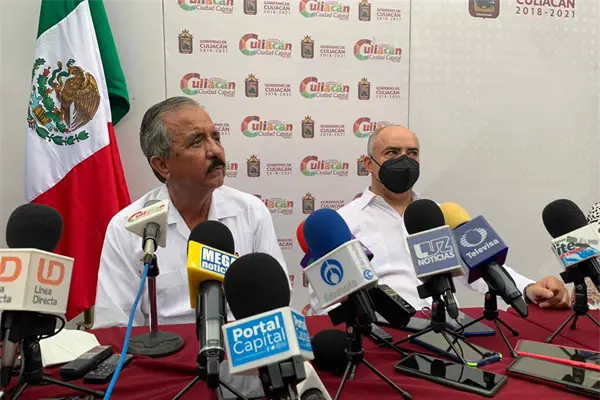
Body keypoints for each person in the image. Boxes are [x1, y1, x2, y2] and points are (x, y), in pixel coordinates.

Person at [309, 125, 569, 315]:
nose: (404, 160)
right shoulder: (341, 223)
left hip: (447, 329)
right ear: (368, 163)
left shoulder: (438, 216)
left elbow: (482, 267)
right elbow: (325, 301)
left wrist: (529, 288)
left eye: (412, 153)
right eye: (392, 153)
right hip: (383, 338)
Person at [94, 97, 289, 328]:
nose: (215, 151)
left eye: (216, 138)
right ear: (162, 165)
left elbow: (275, 306)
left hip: (242, 345)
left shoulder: (251, 212)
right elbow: (116, 326)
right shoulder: (127, 228)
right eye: (197, 142)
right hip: (166, 349)